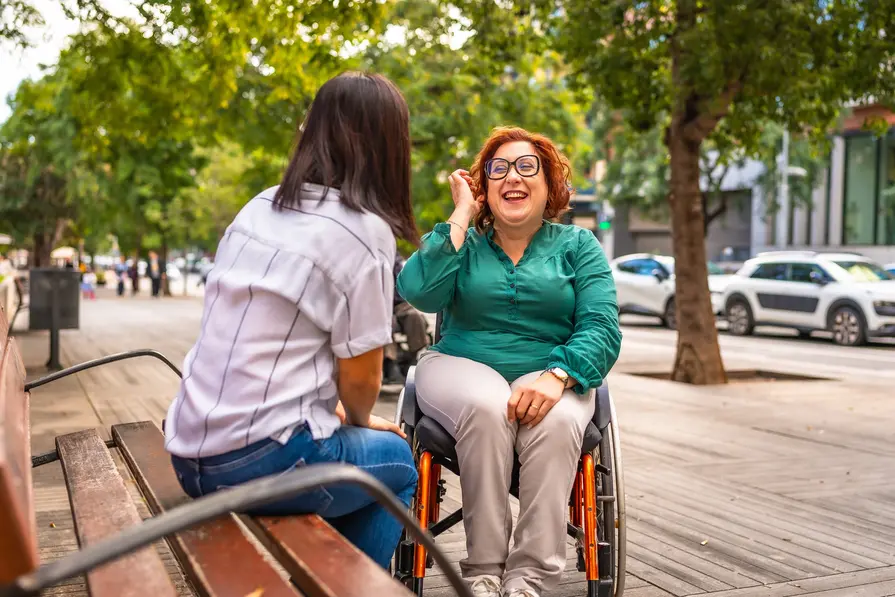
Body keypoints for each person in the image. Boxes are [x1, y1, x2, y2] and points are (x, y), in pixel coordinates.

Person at [164, 72, 420, 569]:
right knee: (399, 465)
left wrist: (341, 419)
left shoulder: (260, 205)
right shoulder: (365, 233)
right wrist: (364, 423)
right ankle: (343, 585)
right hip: (263, 461)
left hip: (190, 449)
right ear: (390, 145)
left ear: (315, 130)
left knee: (349, 448)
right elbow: (362, 380)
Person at [398, 126, 622, 597]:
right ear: (484, 187)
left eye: (527, 167)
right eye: (498, 169)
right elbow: (418, 290)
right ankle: (483, 571)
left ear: (549, 185)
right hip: (458, 365)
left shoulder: (579, 248)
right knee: (487, 404)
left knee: (560, 422)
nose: (512, 177)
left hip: (551, 373)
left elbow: (602, 329)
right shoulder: (465, 243)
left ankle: (528, 580)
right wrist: (462, 213)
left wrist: (558, 375)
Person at [383, 254, 431, 383]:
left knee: (414, 316)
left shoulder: (396, 260)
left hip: (398, 303)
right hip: (378, 305)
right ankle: (390, 362)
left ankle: (412, 357)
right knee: (386, 322)